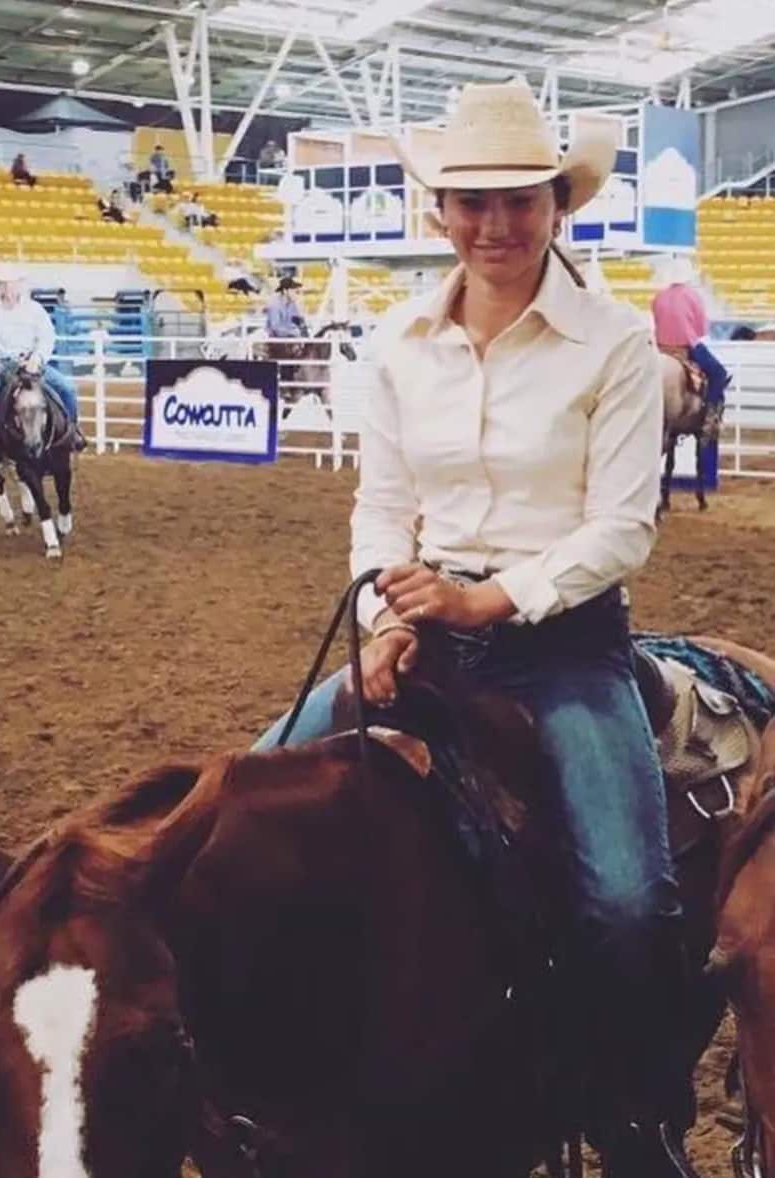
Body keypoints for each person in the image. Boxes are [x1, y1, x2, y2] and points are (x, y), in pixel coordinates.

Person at [254, 77, 700, 1178]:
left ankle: (635, 1113)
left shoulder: (615, 344)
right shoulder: (399, 342)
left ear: (559, 205)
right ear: (441, 211)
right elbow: (381, 508)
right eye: (472, 202)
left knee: (627, 896)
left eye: (520, 200)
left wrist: (486, 602)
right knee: (236, 809)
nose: (495, 224)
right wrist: (383, 617)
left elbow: (621, 528)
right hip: (420, 634)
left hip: (565, 648)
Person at [0, 263, 85, 456]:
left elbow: (47, 337)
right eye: (2, 283)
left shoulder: (35, 310)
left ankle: (72, 431)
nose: (7, 288)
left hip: (30, 363)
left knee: (67, 388)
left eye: (11, 283)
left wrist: (37, 358)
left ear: (19, 284)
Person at [652, 258, 730, 424]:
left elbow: (656, 319)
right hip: (685, 344)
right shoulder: (692, 296)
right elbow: (701, 328)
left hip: (660, 347)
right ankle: (710, 412)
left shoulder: (659, 296)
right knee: (719, 373)